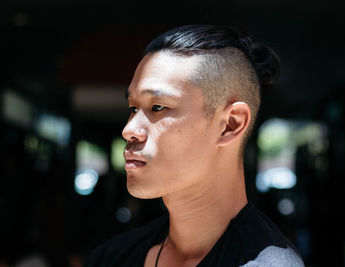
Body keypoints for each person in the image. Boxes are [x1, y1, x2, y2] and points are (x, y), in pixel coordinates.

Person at [84, 24, 304, 267]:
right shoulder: (112, 258)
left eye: (158, 107)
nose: (129, 130)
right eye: (133, 108)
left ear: (230, 124)